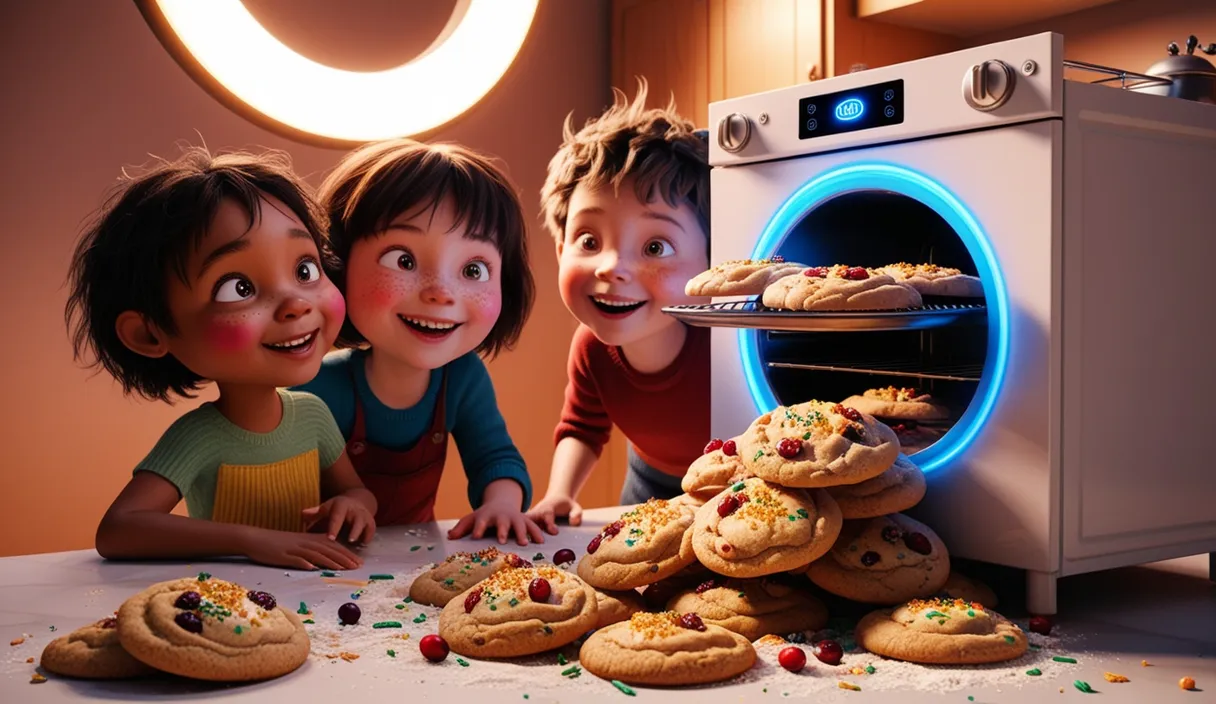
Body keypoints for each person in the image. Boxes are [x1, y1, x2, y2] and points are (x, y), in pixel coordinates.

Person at [65, 146, 378, 571]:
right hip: (229, 602)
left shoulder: (313, 416)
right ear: (148, 334)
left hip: (321, 594)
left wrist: (354, 505)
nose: (295, 304)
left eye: (305, 270)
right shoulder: (201, 436)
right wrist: (250, 541)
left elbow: (358, 491)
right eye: (238, 288)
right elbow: (119, 529)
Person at [295, 139, 543, 545]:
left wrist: (501, 504)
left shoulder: (463, 378)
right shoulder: (316, 387)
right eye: (403, 261)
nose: (440, 293)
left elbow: (495, 457)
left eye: (474, 269)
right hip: (317, 562)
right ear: (337, 263)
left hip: (414, 558)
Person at [528, 79, 711, 532]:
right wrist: (559, 495)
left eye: (655, 247)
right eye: (588, 241)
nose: (612, 267)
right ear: (559, 249)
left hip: (731, 492)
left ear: (713, 260)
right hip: (645, 487)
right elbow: (582, 427)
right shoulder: (590, 348)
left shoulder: (732, 347)